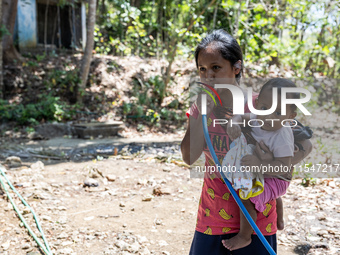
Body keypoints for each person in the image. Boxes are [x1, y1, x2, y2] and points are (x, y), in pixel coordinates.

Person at [181, 29, 312, 255]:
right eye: (202, 69)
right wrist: (201, 113)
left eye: (216, 68)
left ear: (236, 68)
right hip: (213, 216)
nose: (208, 76)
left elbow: (305, 144)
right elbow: (189, 157)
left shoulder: (261, 105)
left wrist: (268, 162)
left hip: (257, 221)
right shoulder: (200, 110)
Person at [222, 78, 300, 251]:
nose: (269, 116)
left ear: (291, 116)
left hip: (278, 177)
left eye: (277, 113)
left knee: (247, 195)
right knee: (255, 185)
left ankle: (244, 236)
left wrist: (259, 165)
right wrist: (234, 121)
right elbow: (241, 116)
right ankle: (278, 209)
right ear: (257, 104)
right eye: (265, 108)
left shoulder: (282, 136)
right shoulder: (258, 117)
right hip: (265, 172)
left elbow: (284, 168)